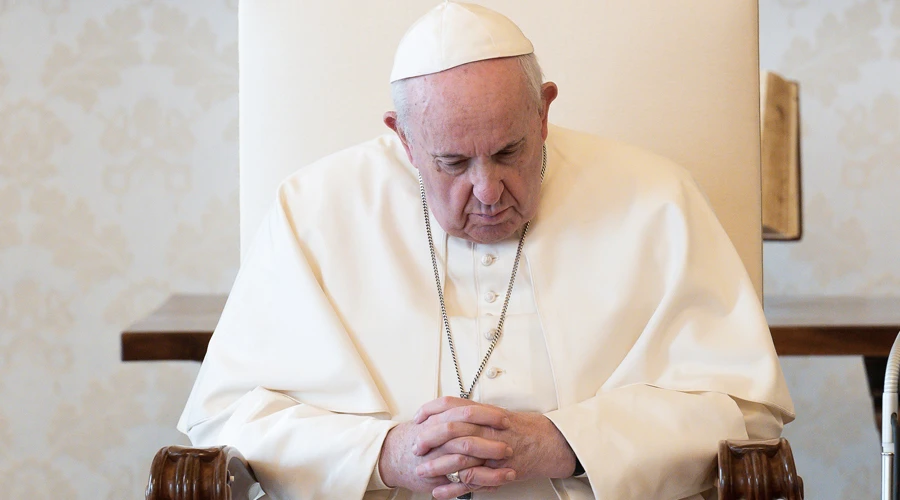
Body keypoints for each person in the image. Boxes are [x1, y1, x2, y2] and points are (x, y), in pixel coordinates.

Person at [178, 2, 794, 499]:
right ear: (403, 138)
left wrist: (568, 443)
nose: (488, 190)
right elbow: (224, 423)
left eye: (509, 152)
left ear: (544, 112)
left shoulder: (656, 198)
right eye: (451, 162)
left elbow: (745, 418)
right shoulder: (313, 209)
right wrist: (382, 456)